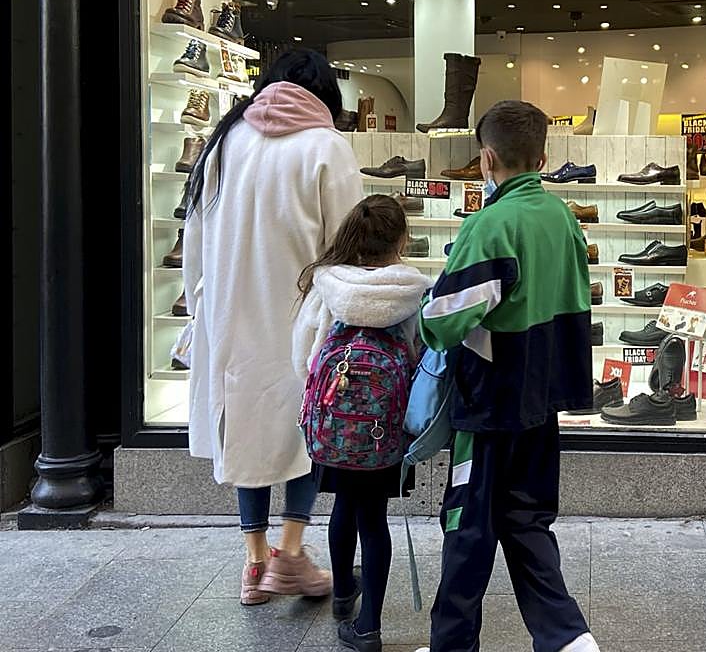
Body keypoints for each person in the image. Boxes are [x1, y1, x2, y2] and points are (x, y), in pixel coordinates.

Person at [183, 49, 363, 605]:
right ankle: (290, 552)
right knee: (303, 431)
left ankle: (254, 565)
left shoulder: (225, 142)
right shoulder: (327, 147)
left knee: (249, 432)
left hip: (231, 313)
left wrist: (198, 308)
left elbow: (193, 236)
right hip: (300, 315)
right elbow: (349, 245)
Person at [419, 100, 600, 652]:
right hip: (541, 402)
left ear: (486, 158)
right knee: (528, 522)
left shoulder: (489, 225)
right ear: (544, 157)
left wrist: (427, 308)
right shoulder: (562, 216)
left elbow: (444, 322)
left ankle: (452, 646)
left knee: (468, 527)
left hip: (491, 406)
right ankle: (569, 640)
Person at [292, 194, 431, 652]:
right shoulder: (413, 292)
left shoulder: (329, 284)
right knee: (374, 521)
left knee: (342, 509)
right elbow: (421, 359)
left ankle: (343, 597)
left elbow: (305, 357)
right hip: (384, 433)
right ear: (401, 240)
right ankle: (368, 624)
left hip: (334, 429)